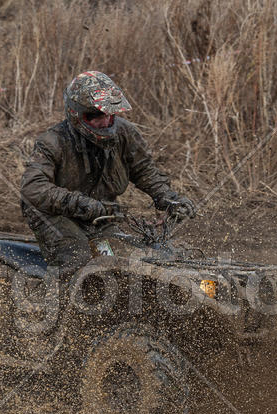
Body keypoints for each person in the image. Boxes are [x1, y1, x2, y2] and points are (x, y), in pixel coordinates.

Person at [20, 71, 196, 281]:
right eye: (95, 116)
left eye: (109, 114)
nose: (105, 121)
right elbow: (33, 188)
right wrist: (81, 203)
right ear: (77, 115)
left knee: (122, 263)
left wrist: (169, 199)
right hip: (53, 215)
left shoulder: (125, 134)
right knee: (78, 259)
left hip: (99, 216)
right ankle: (52, 309)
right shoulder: (52, 142)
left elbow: (145, 171)